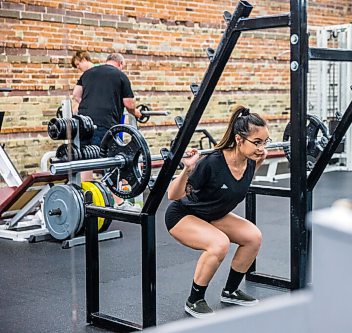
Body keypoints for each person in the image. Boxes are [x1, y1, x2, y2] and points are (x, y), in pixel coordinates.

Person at [166, 104, 269, 318]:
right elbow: (173, 195)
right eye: (257, 142)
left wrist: (258, 152)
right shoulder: (212, 162)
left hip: (212, 215)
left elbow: (237, 184)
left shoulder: (253, 161)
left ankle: (230, 291)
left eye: (265, 141)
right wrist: (187, 169)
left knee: (253, 237)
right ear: (239, 139)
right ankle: (194, 300)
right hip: (184, 215)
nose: (262, 147)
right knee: (219, 243)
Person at [72, 53, 142, 209]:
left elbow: (76, 95)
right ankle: (120, 203)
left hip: (83, 123)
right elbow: (129, 104)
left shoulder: (88, 73)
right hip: (106, 123)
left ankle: (86, 201)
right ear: (120, 63)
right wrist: (136, 113)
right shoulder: (120, 75)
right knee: (112, 160)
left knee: (86, 160)